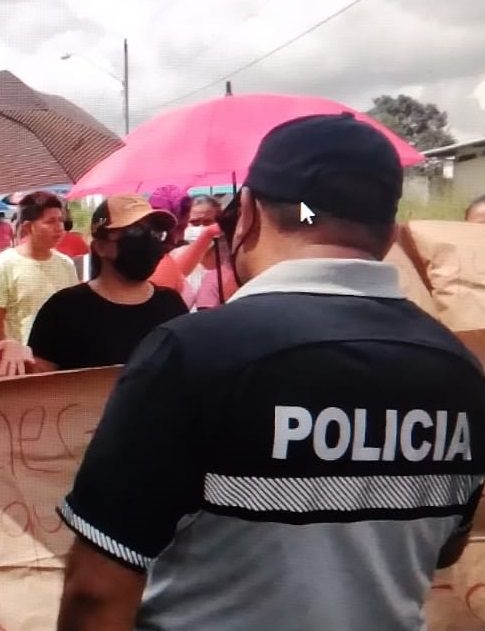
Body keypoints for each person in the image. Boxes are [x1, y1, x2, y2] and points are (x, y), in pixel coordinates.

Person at [57, 114, 485, 631]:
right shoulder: (459, 371)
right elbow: (445, 550)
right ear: (391, 232)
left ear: (249, 213)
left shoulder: (192, 354)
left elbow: (97, 592)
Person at [28, 195, 188, 371]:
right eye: (135, 232)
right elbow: (41, 382)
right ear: (101, 247)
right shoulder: (64, 309)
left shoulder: (171, 304)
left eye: (155, 233)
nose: (148, 241)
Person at [0, 191, 79, 377]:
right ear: (28, 227)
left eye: (60, 220)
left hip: (60, 367)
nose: (59, 228)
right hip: (20, 368)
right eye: (50, 221)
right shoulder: (3, 264)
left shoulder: (66, 264)